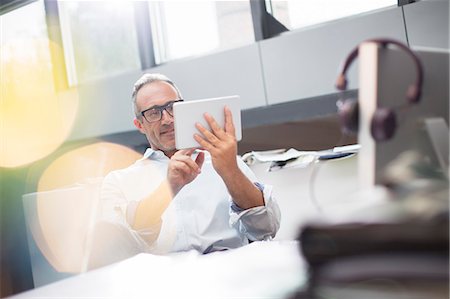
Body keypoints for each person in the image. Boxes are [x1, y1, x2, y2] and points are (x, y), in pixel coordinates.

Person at [99, 73, 280, 257]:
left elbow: (266, 228)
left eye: (172, 107)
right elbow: (118, 249)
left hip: (229, 273)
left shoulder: (224, 161)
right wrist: (169, 188)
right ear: (140, 125)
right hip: (164, 280)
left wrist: (230, 170)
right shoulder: (119, 181)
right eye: (154, 113)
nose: (167, 119)